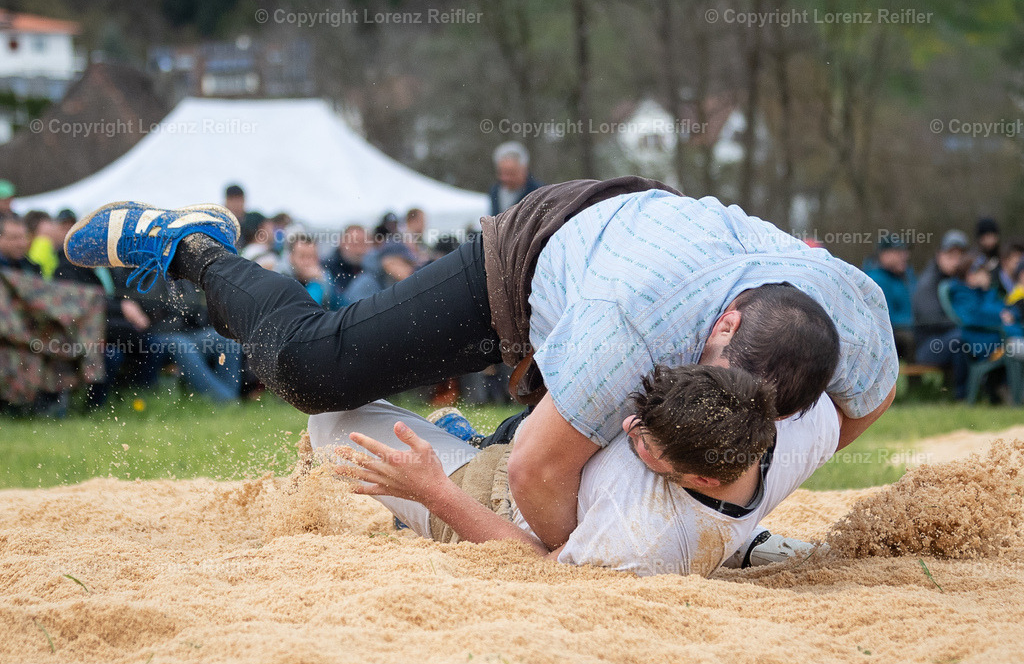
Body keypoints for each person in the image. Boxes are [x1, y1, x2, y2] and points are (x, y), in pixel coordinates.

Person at [64, 181, 897, 550]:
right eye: (719, 369)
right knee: (320, 370)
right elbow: (538, 480)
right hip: (539, 253)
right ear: (725, 322)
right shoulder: (631, 326)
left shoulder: (856, 325)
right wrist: (613, 547)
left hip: (645, 253)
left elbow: (860, 410)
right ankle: (196, 245)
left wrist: (738, 509)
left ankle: (473, 434)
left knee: (611, 434)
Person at [313, 365, 840, 577]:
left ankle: (441, 470)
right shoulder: (798, 425)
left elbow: (537, 565)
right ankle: (467, 438)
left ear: (700, 480)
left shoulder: (637, 539)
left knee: (326, 416)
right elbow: (861, 398)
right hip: (531, 449)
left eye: (643, 444)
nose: (630, 426)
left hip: (488, 496)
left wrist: (432, 493)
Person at [912, 230, 970, 398]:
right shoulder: (927, 283)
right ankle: (962, 396)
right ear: (939, 255)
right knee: (961, 337)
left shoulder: (965, 280)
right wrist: (965, 323)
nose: (956, 261)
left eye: (960, 256)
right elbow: (931, 318)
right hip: (928, 346)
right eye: (950, 255)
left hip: (950, 338)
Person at [866, 236, 915, 359]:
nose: (904, 256)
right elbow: (883, 319)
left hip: (913, 330)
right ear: (884, 255)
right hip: (891, 338)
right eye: (898, 252)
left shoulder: (908, 276)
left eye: (905, 252)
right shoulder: (874, 280)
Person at [489, 142, 542, 216]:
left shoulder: (539, 193)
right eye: (502, 173)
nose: (506, 178)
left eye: (511, 173)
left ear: (524, 170)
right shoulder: (495, 190)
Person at [282, 234, 334, 308]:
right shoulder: (282, 278)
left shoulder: (324, 278)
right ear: (291, 257)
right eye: (302, 256)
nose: (307, 262)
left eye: (311, 257)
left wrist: (320, 281)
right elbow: (304, 308)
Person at [323, 224, 370, 295]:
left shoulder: (372, 269)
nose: (359, 250)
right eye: (354, 244)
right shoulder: (325, 269)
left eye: (364, 245)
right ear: (341, 243)